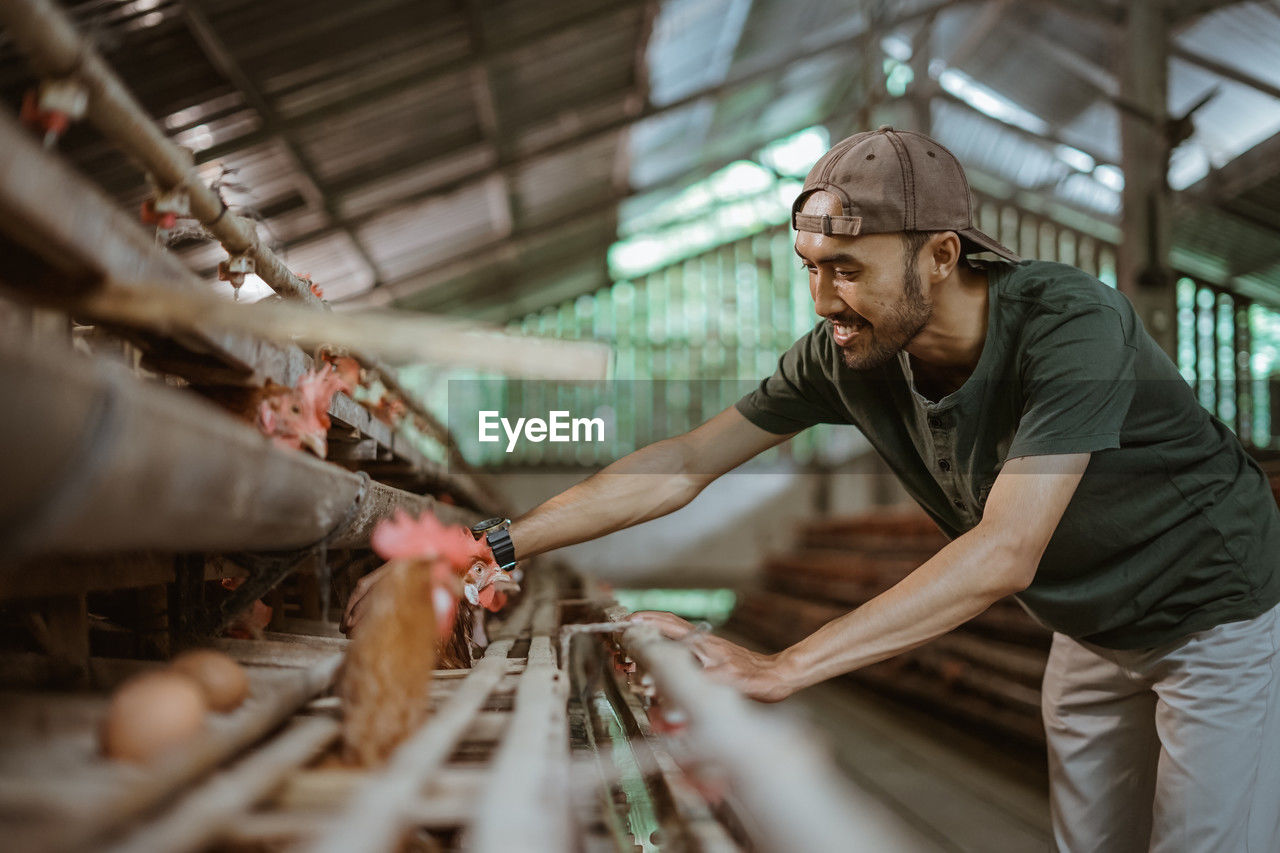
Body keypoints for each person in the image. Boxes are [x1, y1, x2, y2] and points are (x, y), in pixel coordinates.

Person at [344, 127, 1280, 852]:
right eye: (812, 271)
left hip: (1213, 612)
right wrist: (491, 543)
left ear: (942, 256)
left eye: (847, 271)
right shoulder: (850, 355)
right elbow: (681, 463)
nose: (824, 300)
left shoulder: (1072, 323)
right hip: (1089, 623)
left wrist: (783, 664)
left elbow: (1006, 548)